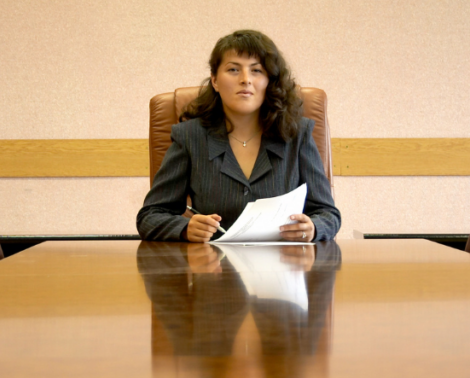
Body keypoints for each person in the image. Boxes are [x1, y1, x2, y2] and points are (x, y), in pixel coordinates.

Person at [137, 30, 340, 242]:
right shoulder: (190, 137)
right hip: (214, 267)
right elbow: (150, 216)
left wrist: (313, 228)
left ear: (269, 81)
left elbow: (328, 215)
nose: (245, 80)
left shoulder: (296, 135)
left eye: (257, 71)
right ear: (215, 81)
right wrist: (186, 228)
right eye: (233, 69)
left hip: (283, 267)